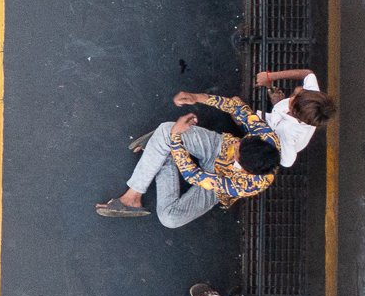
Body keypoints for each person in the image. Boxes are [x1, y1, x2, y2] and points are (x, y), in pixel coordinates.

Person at [96, 91, 280, 226]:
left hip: (217, 185)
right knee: (166, 131)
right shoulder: (267, 138)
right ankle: (133, 196)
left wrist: (176, 138)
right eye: (242, 142)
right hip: (217, 146)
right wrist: (196, 98)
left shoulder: (245, 185)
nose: (237, 144)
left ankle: (163, 151)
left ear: (245, 169)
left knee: (170, 219)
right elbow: (235, 107)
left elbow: (194, 176)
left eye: (238, 151)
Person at [256, 67, 335, 167]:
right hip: (276, 119)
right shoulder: (312, 96)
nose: (293, 94)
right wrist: (270, 77)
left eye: (294, 98)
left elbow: (287, 162)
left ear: (294, 112)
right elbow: (308, 74)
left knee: (236, 108)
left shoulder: (287, 131)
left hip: (268, 132)